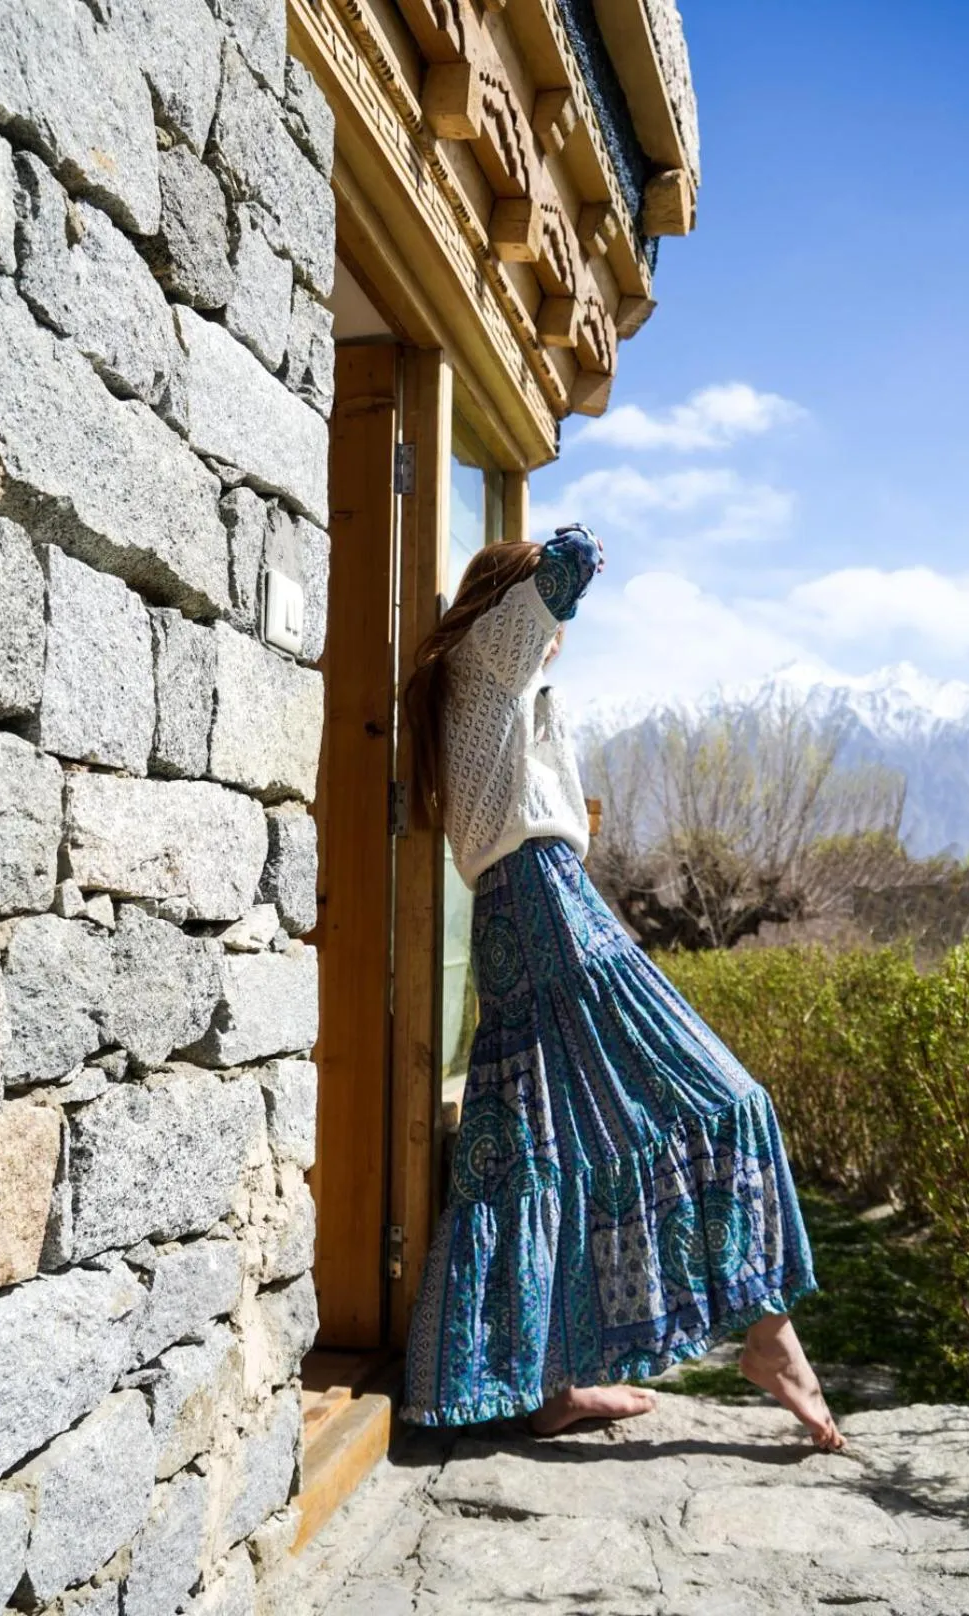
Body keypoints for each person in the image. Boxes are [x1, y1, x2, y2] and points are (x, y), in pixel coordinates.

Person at [400, 524, 844, 1452]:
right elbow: (572, 562)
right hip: (544, 908)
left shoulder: (505, 690)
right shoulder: (489, 657)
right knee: (726, 1096)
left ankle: (554, 1383)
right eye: (537, 615)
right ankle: (770, 1342)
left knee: (542, 1139)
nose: (556, 631)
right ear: (507, 609)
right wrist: (548, 572)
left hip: (525, 912)